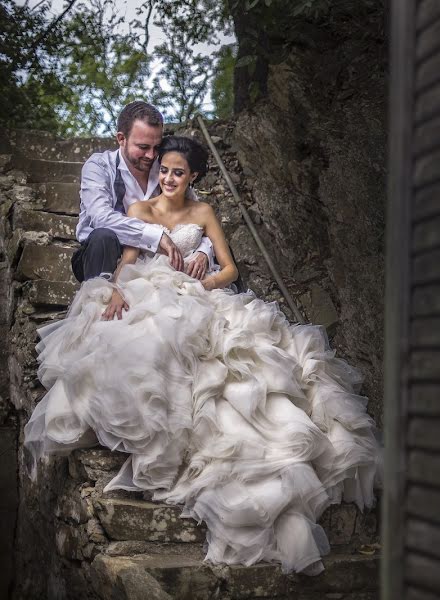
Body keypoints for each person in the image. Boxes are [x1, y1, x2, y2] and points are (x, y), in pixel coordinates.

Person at [25, 136, 382, 575]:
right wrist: (113, 289)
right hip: (154, 287)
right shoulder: (139, 211)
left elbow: (229, 268)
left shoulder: (204, 212)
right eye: (166, 170)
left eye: (179, 172)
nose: (170, 178)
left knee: (243, 365)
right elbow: (126, 261)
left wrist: (205, 276)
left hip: (200, 291)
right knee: (150, 340)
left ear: (193, 175)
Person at [72, 100, 214, 282]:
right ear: (121, 139)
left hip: (154, 261)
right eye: (143, 147)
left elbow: (195, 216)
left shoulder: (165, 167)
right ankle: (97, 301)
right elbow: (100, 218)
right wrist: (156, 235)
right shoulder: (99, 166)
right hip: (103, 254)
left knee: (218, 254)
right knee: (103, 236)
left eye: (157, 147)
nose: (151, 155)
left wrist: (204, 251)